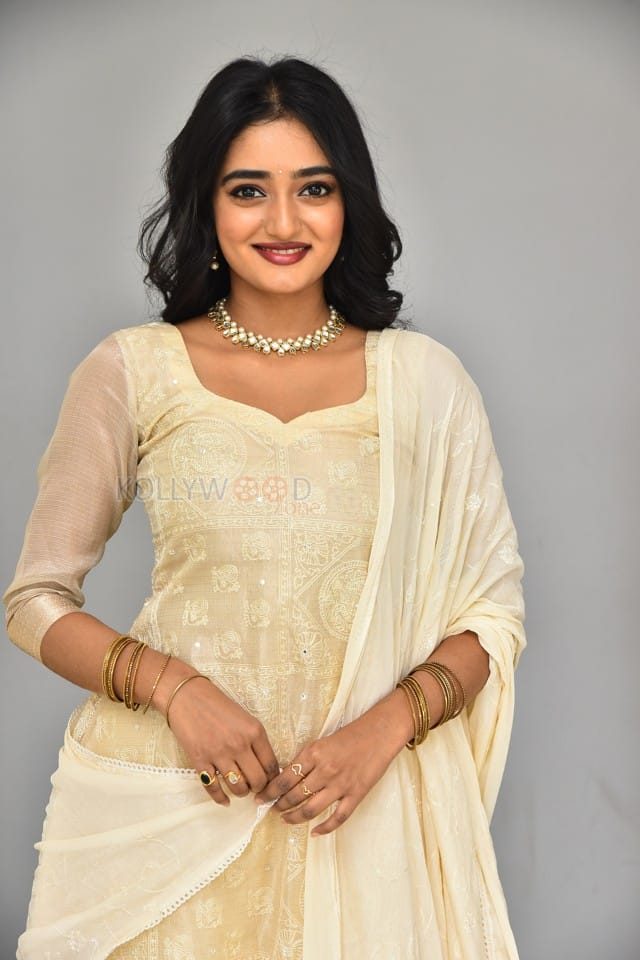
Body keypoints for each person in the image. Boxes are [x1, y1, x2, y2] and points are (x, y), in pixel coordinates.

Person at [3, 55, 526, 960]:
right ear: (205, 205)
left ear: (349, 202)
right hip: (167, 814)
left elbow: (492, 618)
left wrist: (382, 731)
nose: (283, 222)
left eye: (313, 188)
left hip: (357, 814)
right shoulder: (134, 370)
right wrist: (177, 690)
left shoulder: (425, 384)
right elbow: (33, 601)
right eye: (249, 190)